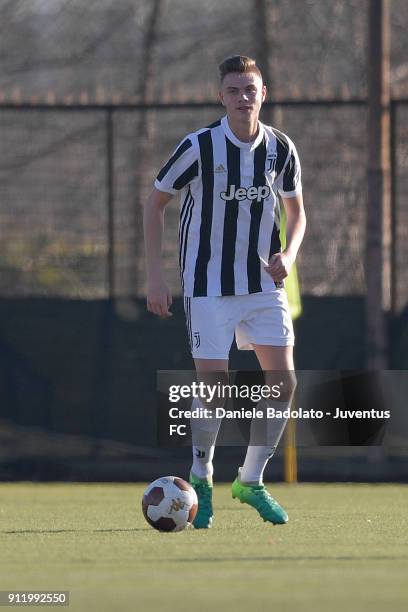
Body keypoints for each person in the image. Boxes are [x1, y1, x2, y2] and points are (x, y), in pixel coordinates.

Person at [144, 55, 306, 528]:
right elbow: (154, 205)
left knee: (284, 383)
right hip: (207, 286)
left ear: (263, 94)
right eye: (233, 90)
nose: (242, 97)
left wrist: (290, 255)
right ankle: (201, 477)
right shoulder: (198, 146)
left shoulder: (281, 148)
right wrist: (155, 277)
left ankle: (250, 480)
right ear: (221, 96)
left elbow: (297, 214)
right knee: (214, 390)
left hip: (263, 285)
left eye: (250, 89)